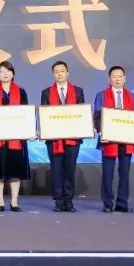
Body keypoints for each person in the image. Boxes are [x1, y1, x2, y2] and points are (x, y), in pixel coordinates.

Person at [93, 65, 134, 213]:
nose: (117, 79)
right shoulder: (101, 95)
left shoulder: (132, 96)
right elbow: (97, 116)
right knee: (108, 173)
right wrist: (102, 132)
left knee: (124, 173)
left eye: (120, 76)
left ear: (125, 78)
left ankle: (122, 203)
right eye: (114, 76)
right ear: (109, 79)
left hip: (127, 140)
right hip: (108, 140)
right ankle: (107, 203)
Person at [0, 60, 30, 212]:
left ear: (13, 73)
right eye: (2, 71)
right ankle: (0, 202)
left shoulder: (21, 92)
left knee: (15, 172)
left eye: (8, 71)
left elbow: (26, 114)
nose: (5, 74)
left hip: (16, 138)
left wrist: (28, 131)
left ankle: (14, 202)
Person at [40, 60, 84, 213]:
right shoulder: (46, 92)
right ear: (53, 74)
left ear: (67, 73)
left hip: (73, 138)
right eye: (56, 71)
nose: (59, 74)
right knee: (56, 170)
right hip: (54, 139)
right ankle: (59, 201)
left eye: (62, 71)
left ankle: (69, 201)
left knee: (70, 169)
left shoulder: (78, 91)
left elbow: (81, 114)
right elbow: (44, 114)